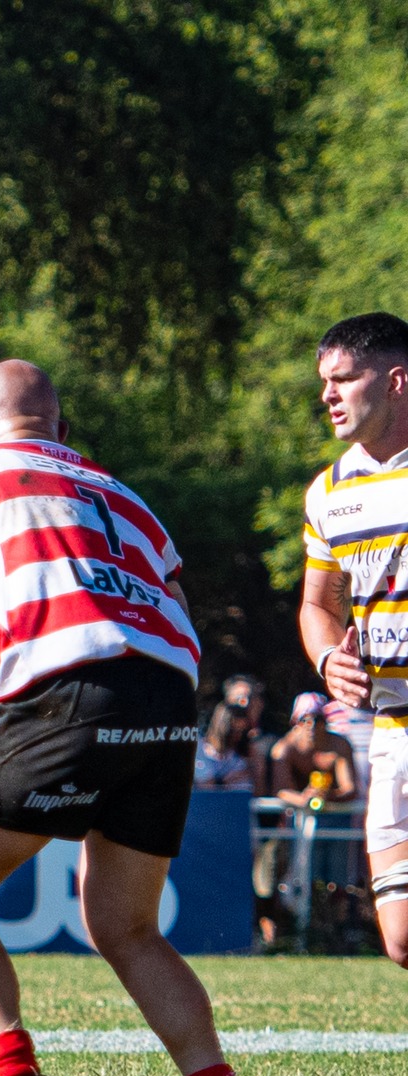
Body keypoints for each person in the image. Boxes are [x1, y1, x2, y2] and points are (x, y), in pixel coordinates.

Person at [0, 358, 256, 1076]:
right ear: (63, 431)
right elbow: (171, 611)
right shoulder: (127, 496)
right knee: (127, 925)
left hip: (69, 679)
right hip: (169, 695)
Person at [297, 314, 408, 1031]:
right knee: (401, 937)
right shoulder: (328, 491)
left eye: (344, 379)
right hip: (393, 730)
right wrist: (327, 657)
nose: (329, 395)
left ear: (396, 381)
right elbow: (318, 604)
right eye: (325, 383)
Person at [271, 693, 357, 807]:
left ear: (325, 722)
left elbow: (349, 789)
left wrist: (328, 795)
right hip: (294, 811)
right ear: (295, 723)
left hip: (333, 810)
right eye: (304, 720)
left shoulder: (339, 746)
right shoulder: (284, 749)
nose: (311, 725)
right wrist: (302, 799)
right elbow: (280, 791)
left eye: (317, 719)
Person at [194, 702, 256, 791]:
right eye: (233, 731)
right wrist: (227, 780)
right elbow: (206, 786)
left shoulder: (238, 757)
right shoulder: (199, 749)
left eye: (242, 732)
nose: (238, 737)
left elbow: (246, 787)